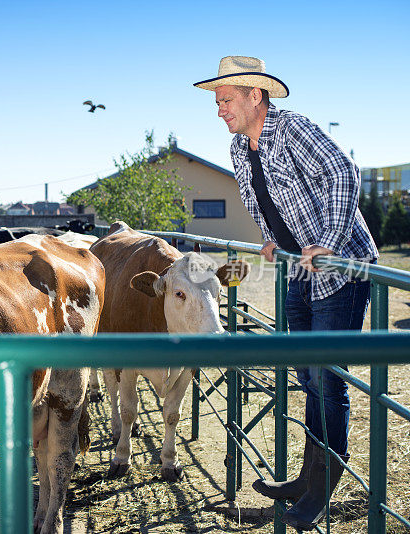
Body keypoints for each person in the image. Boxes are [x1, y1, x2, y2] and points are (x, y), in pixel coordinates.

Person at [194, 56, 378, 530]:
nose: (219, 109)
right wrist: (271, 236)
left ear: (256, 95)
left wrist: (330, 242)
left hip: (341, 264)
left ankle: (323, 487)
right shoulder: (240, 147)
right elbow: (260, 199)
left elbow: (343, 172)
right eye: (217, 102)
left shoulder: (292, 129)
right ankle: (307, 474)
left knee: (326, 376)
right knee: (305, 371)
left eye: (226, 99)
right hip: (298, 265)